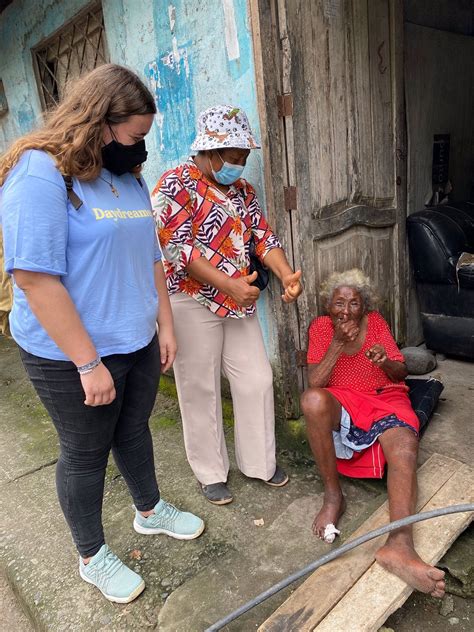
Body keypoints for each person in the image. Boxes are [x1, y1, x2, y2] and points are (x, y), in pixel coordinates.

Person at [0, 64, 204, 604]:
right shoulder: (41, 172)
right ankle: (91, 555)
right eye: (135, 136)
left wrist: (164, 323)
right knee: (85, 452)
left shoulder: (127, 177)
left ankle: (150, 510)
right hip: (70, 354)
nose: (140, 150)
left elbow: (152, 256)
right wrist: (87, 362)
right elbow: (35, 278)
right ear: (99, 121)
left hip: (134, 338)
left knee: (134, 430)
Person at [152, 104, 302, 505]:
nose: (241, 165)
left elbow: (262, 239)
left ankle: (259, 463)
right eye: (235, 158)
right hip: (190, 298)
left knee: (256, 379)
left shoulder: (243, 192)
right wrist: (229, 285)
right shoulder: (174, 185)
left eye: (244, 158)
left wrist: (286, 274)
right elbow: (176, 249)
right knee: (198, 387)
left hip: (238, 301)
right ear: (210, 152)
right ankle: (210, 472)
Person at [301, 269, 446, 598]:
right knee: (311, 400)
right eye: (339, 303)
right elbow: (315, 382)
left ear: (364, 306)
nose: (346, 310)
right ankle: (333, 496)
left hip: (384, 395)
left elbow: (401, 371)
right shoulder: (322, 329)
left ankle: (399, 544)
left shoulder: (376, 322)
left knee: (406, 444)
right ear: (329, 306)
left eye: (354, 303)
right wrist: (338, 344)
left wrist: (385, 362)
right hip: (345, 400)